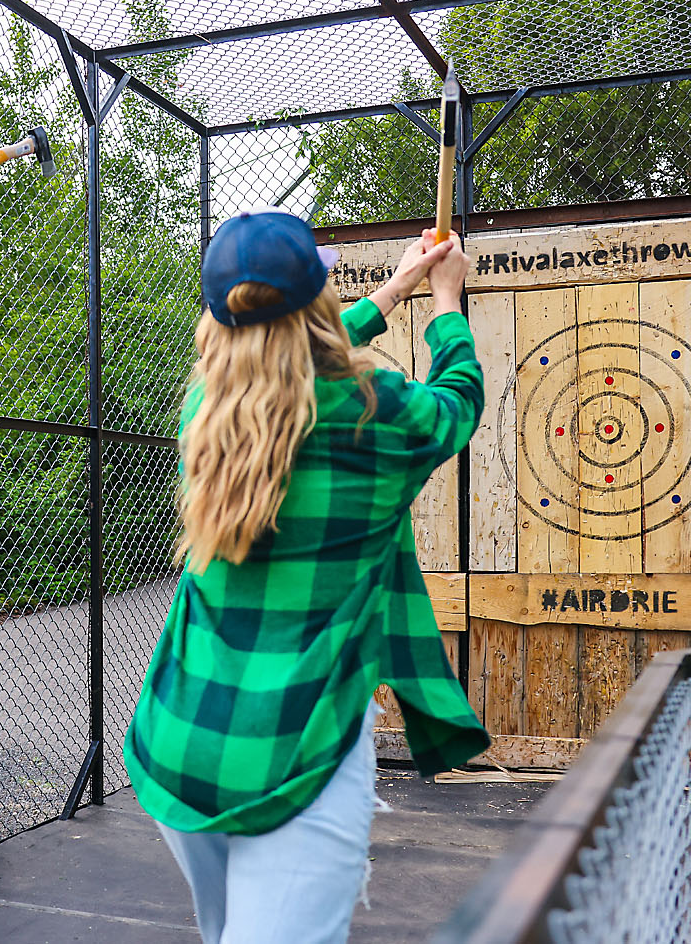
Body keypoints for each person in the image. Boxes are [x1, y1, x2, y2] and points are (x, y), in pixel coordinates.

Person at [123, 210, 491, 944]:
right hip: (295, 755)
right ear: (318, 305)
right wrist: (445, 300)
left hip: (181, 745)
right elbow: (459, 399)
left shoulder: (206, 413)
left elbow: (288, 361)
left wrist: (396, 288)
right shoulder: (377, 416)